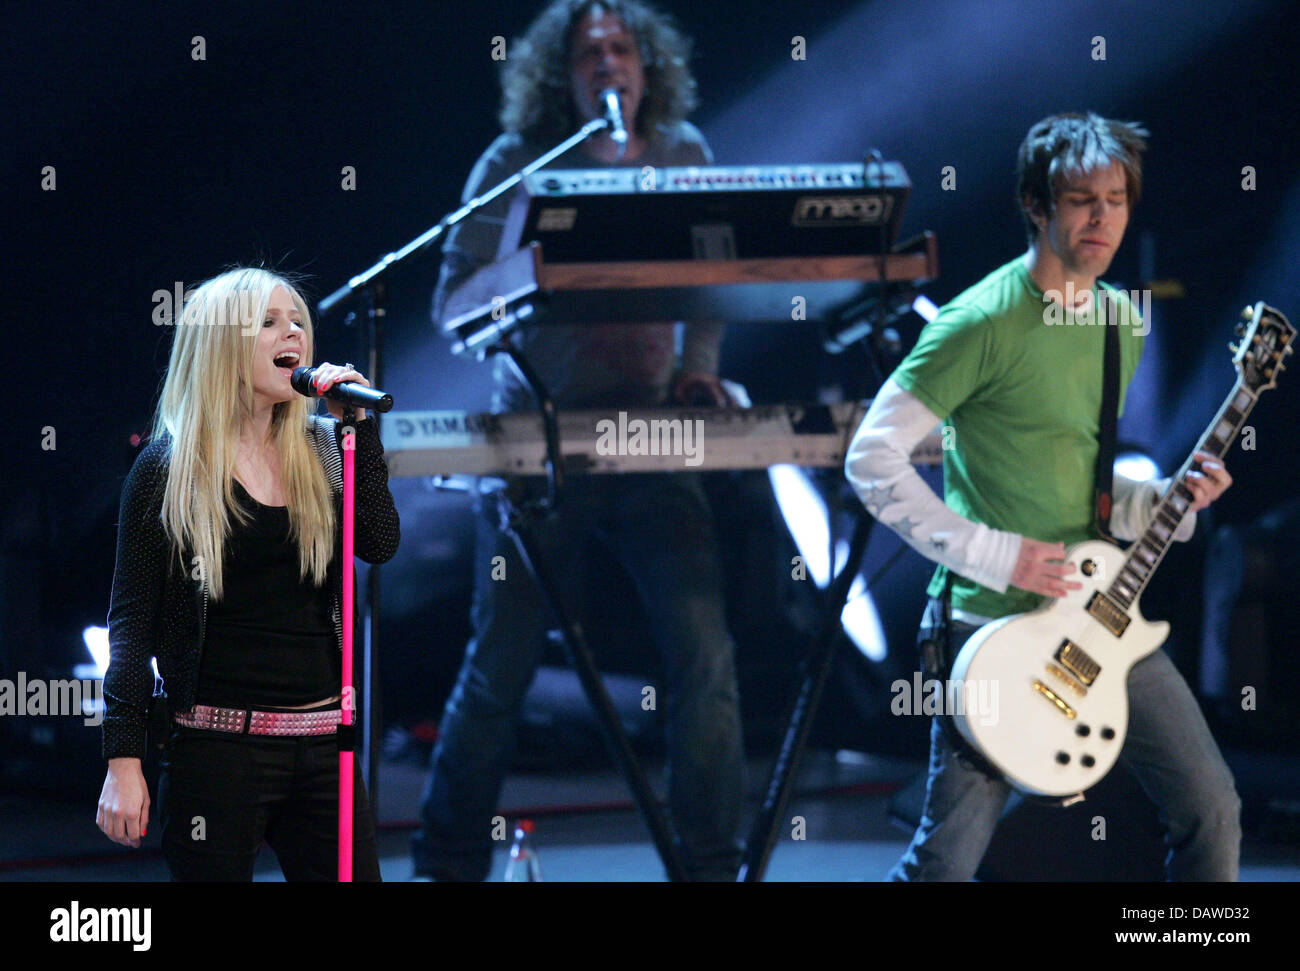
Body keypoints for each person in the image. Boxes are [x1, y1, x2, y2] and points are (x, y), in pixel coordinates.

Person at [845, 112, 1242, 881]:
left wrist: (1163, 500)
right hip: (989, 627)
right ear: (1036, 204)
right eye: (1080, 199)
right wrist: (998, 554)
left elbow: (1083, 479)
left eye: (1117, 199)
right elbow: (871, 458)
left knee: (1213, 810)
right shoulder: (981, 320)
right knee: (947, 862)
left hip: (1098, 619)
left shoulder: (1118, 322)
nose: (1101, 219)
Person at [412, 0, 744, 881]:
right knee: (499, 670)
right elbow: (452, 303)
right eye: (588, 51)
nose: (608, 62)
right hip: (535, 445)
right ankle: (445, 864)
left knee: (703, 653)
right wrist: (534, 271)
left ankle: (710, 867)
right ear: (561, 75)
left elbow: (711, 285)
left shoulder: (685, 154)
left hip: (649, 432)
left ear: (647, 66)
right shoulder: (518, 162)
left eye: (622, 47)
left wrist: (699, 366)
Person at [96, 267, 400, 881]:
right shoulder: (169, 467)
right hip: (219, 749)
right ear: (221, 346)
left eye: (296, 321)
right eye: (267, 322)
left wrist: (358, 436)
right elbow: (131, 622)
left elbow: (380, 542)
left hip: (324, 746)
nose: (291, 332)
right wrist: (123, 759)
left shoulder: (322, 448)